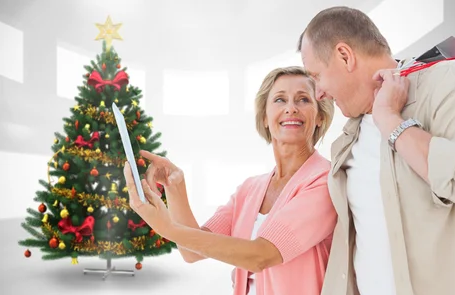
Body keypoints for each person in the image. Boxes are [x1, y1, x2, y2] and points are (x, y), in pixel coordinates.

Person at [297, 6, 455, 295]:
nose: (318, 93)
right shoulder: (347, 140)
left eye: (317, 76)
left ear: (345, 56)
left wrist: (392, 123)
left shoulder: (449, 82)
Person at [124, 66, 338, 295]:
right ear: (265, 118)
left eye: (303, 99)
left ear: (320, 116)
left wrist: (167, 228)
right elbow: (193, 251)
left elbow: (261, 256)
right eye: (280, 99)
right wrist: (175, 187)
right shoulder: (250, 190)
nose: (291, 108)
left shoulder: (324, 182)